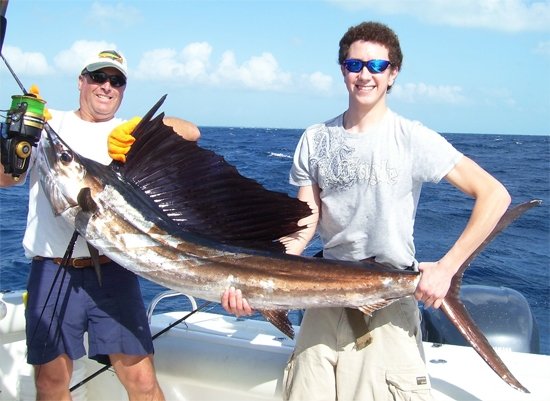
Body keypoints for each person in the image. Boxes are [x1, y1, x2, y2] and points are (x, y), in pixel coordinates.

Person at [222, 21, 511, 400]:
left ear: (393, 74)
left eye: (376, 66)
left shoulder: (413, 138)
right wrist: (261, 282)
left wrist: (447, 267)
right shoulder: (315, 138)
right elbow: (305, 220)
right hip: (322, 293)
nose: (365, 75)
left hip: (389, 295)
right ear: (342, 69)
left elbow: (494, 195)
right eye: (355, 64)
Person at [0, 49, 200, 401]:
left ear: (123, 89)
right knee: (50, 382)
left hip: (115, 271)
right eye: (98, 77)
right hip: (53, 269)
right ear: (81, 81)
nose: (106, 86)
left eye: (116, 81)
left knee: (141, 381)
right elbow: (6, 179)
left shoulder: (127, 136)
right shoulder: (50, 129)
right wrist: (20, 135)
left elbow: (191, 131)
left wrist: (138, 129)